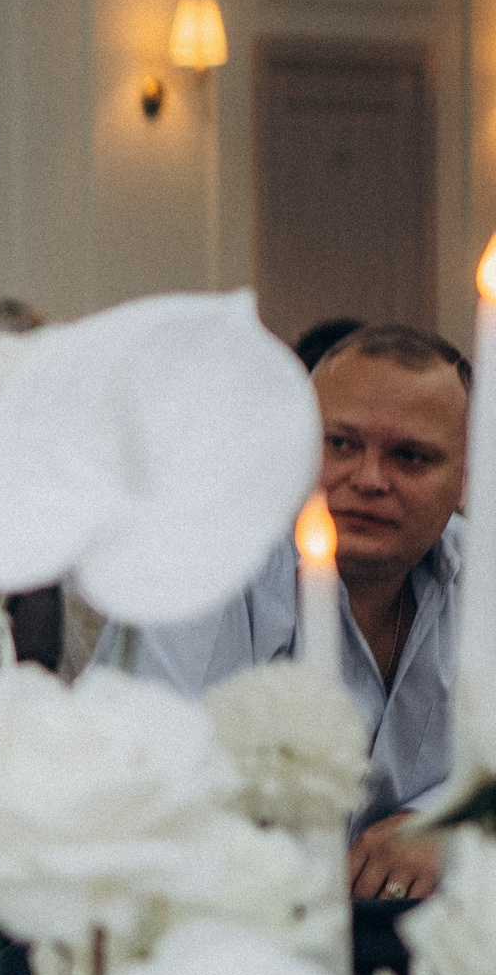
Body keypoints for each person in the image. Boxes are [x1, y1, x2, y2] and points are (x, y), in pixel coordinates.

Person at [118, 323, 468, 899]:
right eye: (341, 444)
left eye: (410, 457)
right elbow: (146, 790)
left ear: (464, 480)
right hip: (211, 926)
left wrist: (450, 826)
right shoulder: (203, 570)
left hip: (422, 938)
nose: (369, 479)